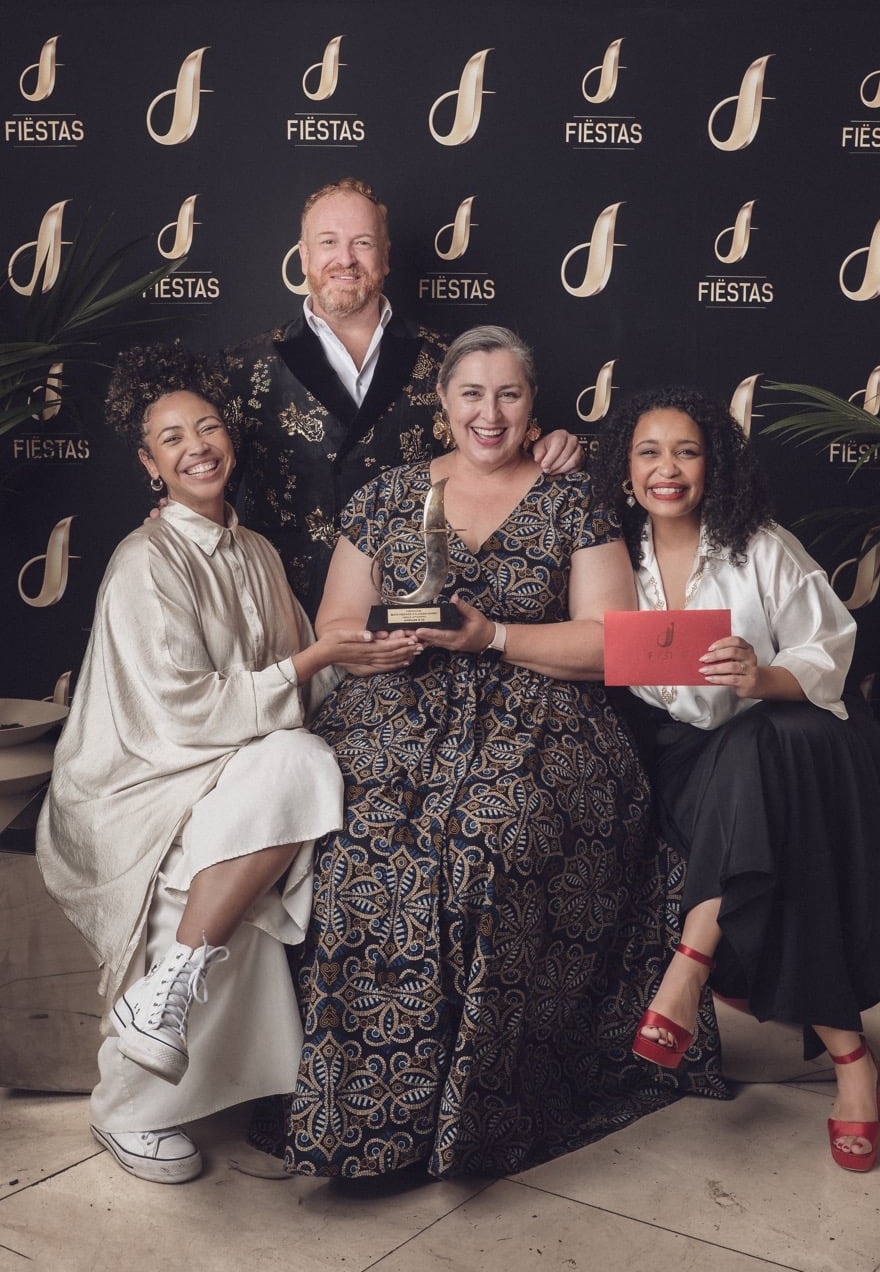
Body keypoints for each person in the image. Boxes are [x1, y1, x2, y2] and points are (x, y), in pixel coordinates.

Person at [252, 328, 728, 1180]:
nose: (490, 412)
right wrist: (375, 647)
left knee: (486, 839)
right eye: (471, 393)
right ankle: (353, 1119)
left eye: (509, 394)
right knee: (360, 842)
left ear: (532, 404)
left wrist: (493, 636)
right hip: (394, 707)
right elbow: (335, 622)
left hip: (543, 714)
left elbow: (611, 643)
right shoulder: (386, 495)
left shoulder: (572, 499)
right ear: (443, 403)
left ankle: (473, 1115)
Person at [35, 343, 405, 1185]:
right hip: (139, 786)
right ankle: (126, 1106)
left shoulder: (258, 552)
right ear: (149, 464)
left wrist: (377, 648)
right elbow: (184, 712)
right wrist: (318, 660)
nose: (196, 447)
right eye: (172, 438)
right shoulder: (144, 562)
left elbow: (302, 679)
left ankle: (163, 1002)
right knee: (295, 768)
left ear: (229, 439)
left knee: (291, 774)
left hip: (230, 773)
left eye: (206, 428)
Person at [593, 386, 880, 1173]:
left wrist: (761, 676)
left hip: (799, 738)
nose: (667, 469)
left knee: (765, 742)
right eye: (649, 452)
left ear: (714, 465)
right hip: (687, 759)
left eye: (687, 452)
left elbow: (829, 649)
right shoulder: (611, 557)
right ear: (625, 468)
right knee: (777, 815)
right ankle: (852, 1060)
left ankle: (690, 964)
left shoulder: (759, 546)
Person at [222, 178, 581, 620]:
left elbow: (501, 450)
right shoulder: (242, 367)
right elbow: (210, 493)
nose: (345, 258)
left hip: (414, 622)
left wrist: (550, 447)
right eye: (329, 242)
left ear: (386, 256)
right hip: (280, 611)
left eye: (363, 242)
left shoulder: (448, 361)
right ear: (304, 256)